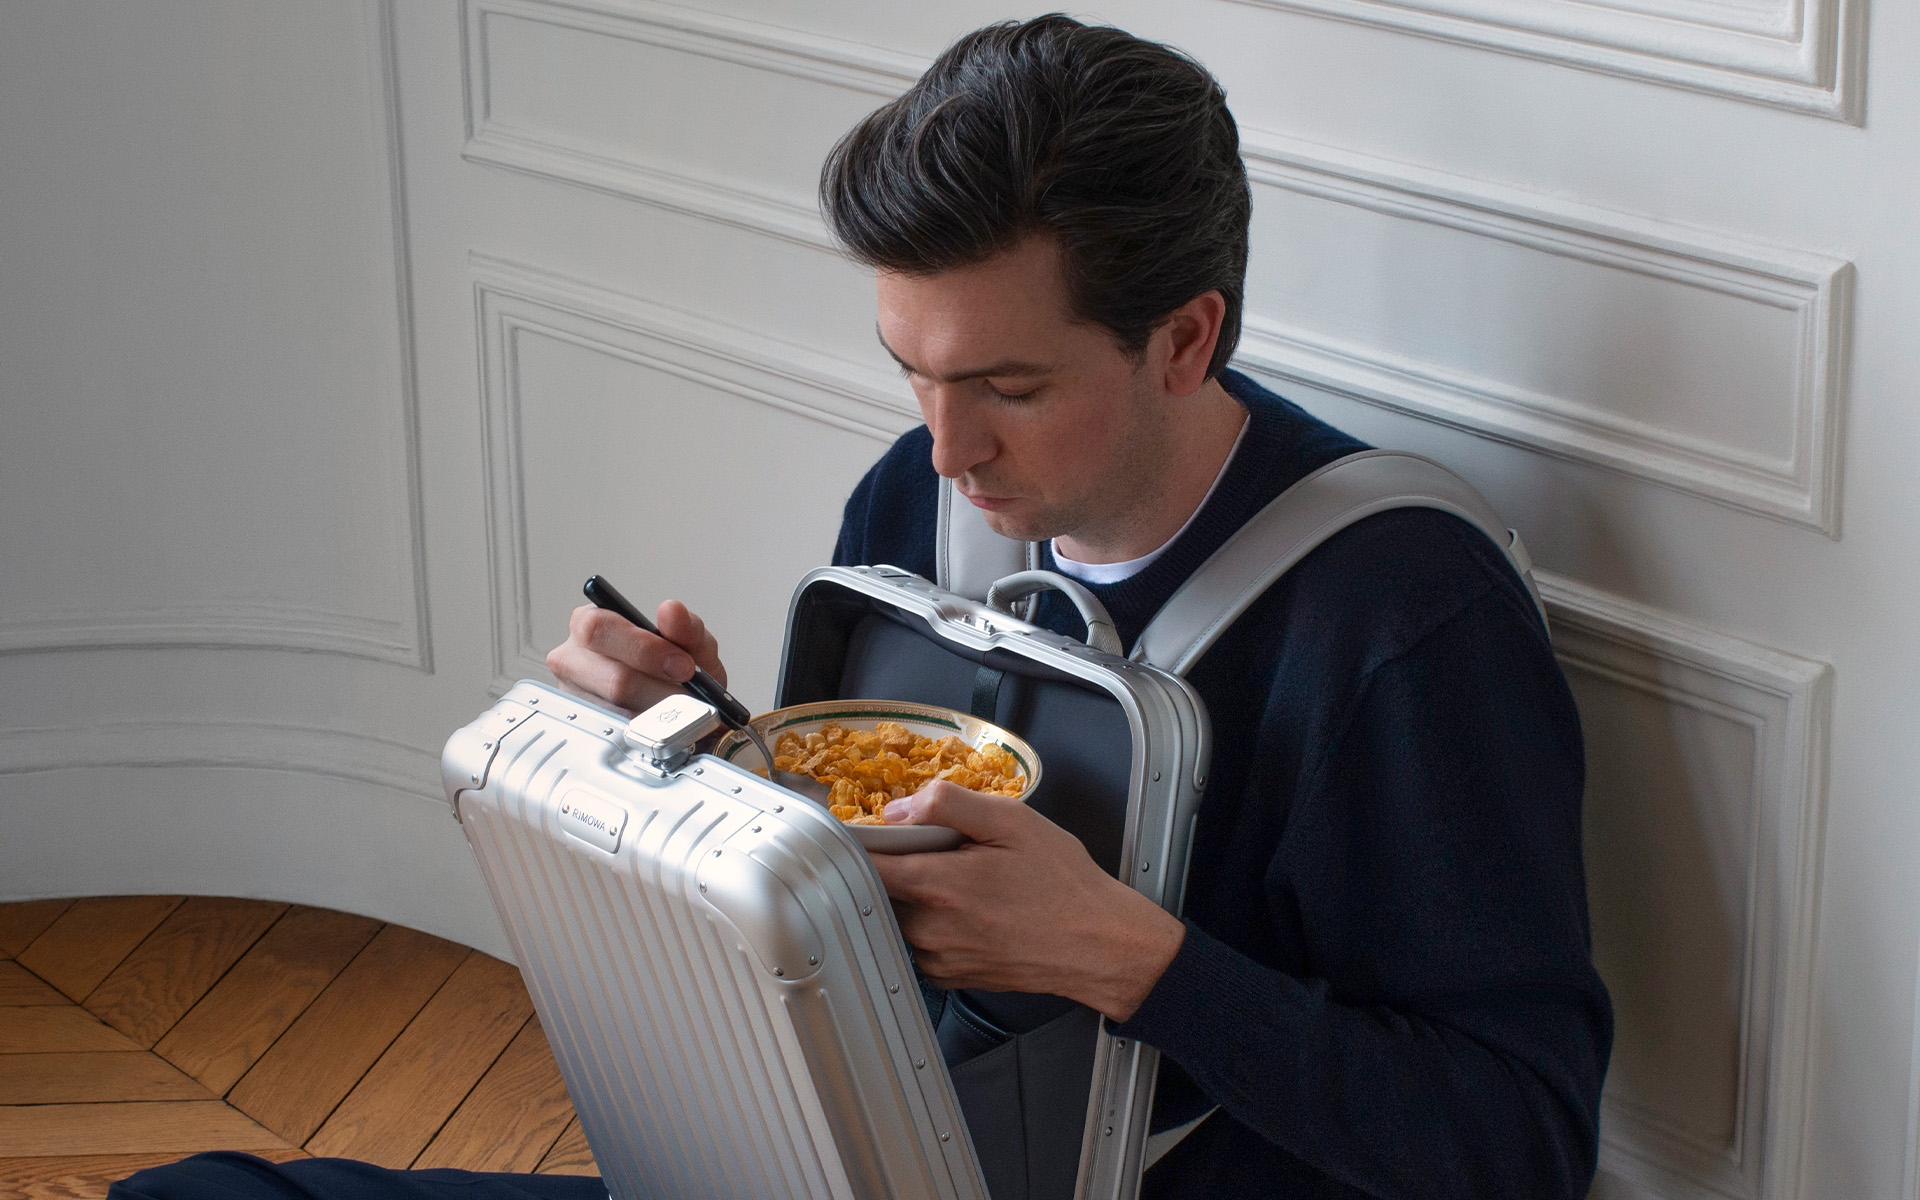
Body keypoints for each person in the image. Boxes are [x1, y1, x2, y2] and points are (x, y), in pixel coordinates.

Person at [113, 14, 1609, 1200]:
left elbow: (1522, 1143)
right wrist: (708, 763)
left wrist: (1128, 960)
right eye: (914, 370)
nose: (948, 451)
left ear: (1184, 337)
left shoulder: (1400, 620)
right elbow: (851, 933)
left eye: (1008, 387)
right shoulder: (920, 503)